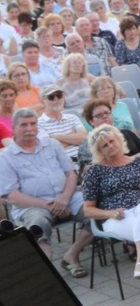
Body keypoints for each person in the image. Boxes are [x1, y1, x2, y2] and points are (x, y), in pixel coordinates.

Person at [0, 107, 93, 274]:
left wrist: (64, 198)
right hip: (32, 206)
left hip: (67, 197)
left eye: (33, 124)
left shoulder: (52, 145)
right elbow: (12, 196)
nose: (29, 128)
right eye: (24, 125)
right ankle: (49, 275)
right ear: (13, 128)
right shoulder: (5, 157)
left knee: (98, 213)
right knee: (38, 226)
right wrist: (50, 205)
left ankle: (71, 255)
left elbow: (71, 173)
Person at [81, 123, 140, 284]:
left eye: (112, 141)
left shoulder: (139, 163)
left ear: (119, 140)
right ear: (99, 151)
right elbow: (88, 210)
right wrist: (110, 213)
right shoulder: (95, 172)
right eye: (104, 145)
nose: (110, 146)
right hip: (117, 218)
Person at [37, 84, 86, 160]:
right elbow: (49, 149)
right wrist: (73, 138)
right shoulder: (38, 124)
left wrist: (57, 137)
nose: (56, 99)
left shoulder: (73, 117)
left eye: (59, 96)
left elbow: (85, 138)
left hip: (85, 158)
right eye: (51, 97)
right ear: (43, 101)